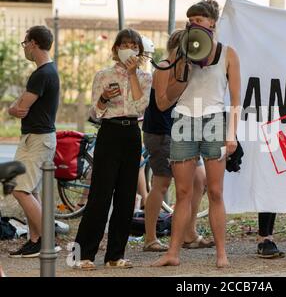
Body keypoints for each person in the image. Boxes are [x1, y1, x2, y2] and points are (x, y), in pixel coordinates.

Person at [152, 0, 241, 268]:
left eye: (199, 20)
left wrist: (232, 133)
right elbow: (166, 101)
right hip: (184, 120)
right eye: (191, 20)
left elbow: (236, 99)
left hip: (213, 119)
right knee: (182, 192)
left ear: (212, 23)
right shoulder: (181, 53)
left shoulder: (228, 54)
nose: (194, 24)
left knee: (215, 191)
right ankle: (172, 253)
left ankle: (221, 254)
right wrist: (183, 69)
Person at [74, 28, 151, 270]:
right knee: (100, 195)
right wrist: (104, 98)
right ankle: (81, 255)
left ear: (139, 50)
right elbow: (95, 113)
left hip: (131, 133)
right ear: (116, 49)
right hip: (109, 131)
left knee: (127, 197)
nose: (129, 48)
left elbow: (140, 107)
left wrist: (133, 75)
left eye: (134, 45)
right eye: (124, 44)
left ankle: (115, 255)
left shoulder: (146, 78)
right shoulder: (103, 75)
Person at [142, 30, 213, 252]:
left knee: (199, 180)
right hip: (161, 132)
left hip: (182, 131)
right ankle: (150, 238)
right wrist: (183, 80)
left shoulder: (186, 68)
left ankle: (188, 233)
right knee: (162, 183)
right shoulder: (163, 66)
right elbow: (162, 104)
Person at [8, 25, 60, 258]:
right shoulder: (46, 71)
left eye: (25, 43)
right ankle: (35, 240)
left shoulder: (42, 74)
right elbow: (21, 106)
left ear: (34, 43)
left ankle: (48, 239)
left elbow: (21, 107)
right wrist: (16, 108)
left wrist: (14, 108)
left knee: (20, 190)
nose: (25, 48)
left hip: (37, 139)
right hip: (36, 137)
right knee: (31, 191)